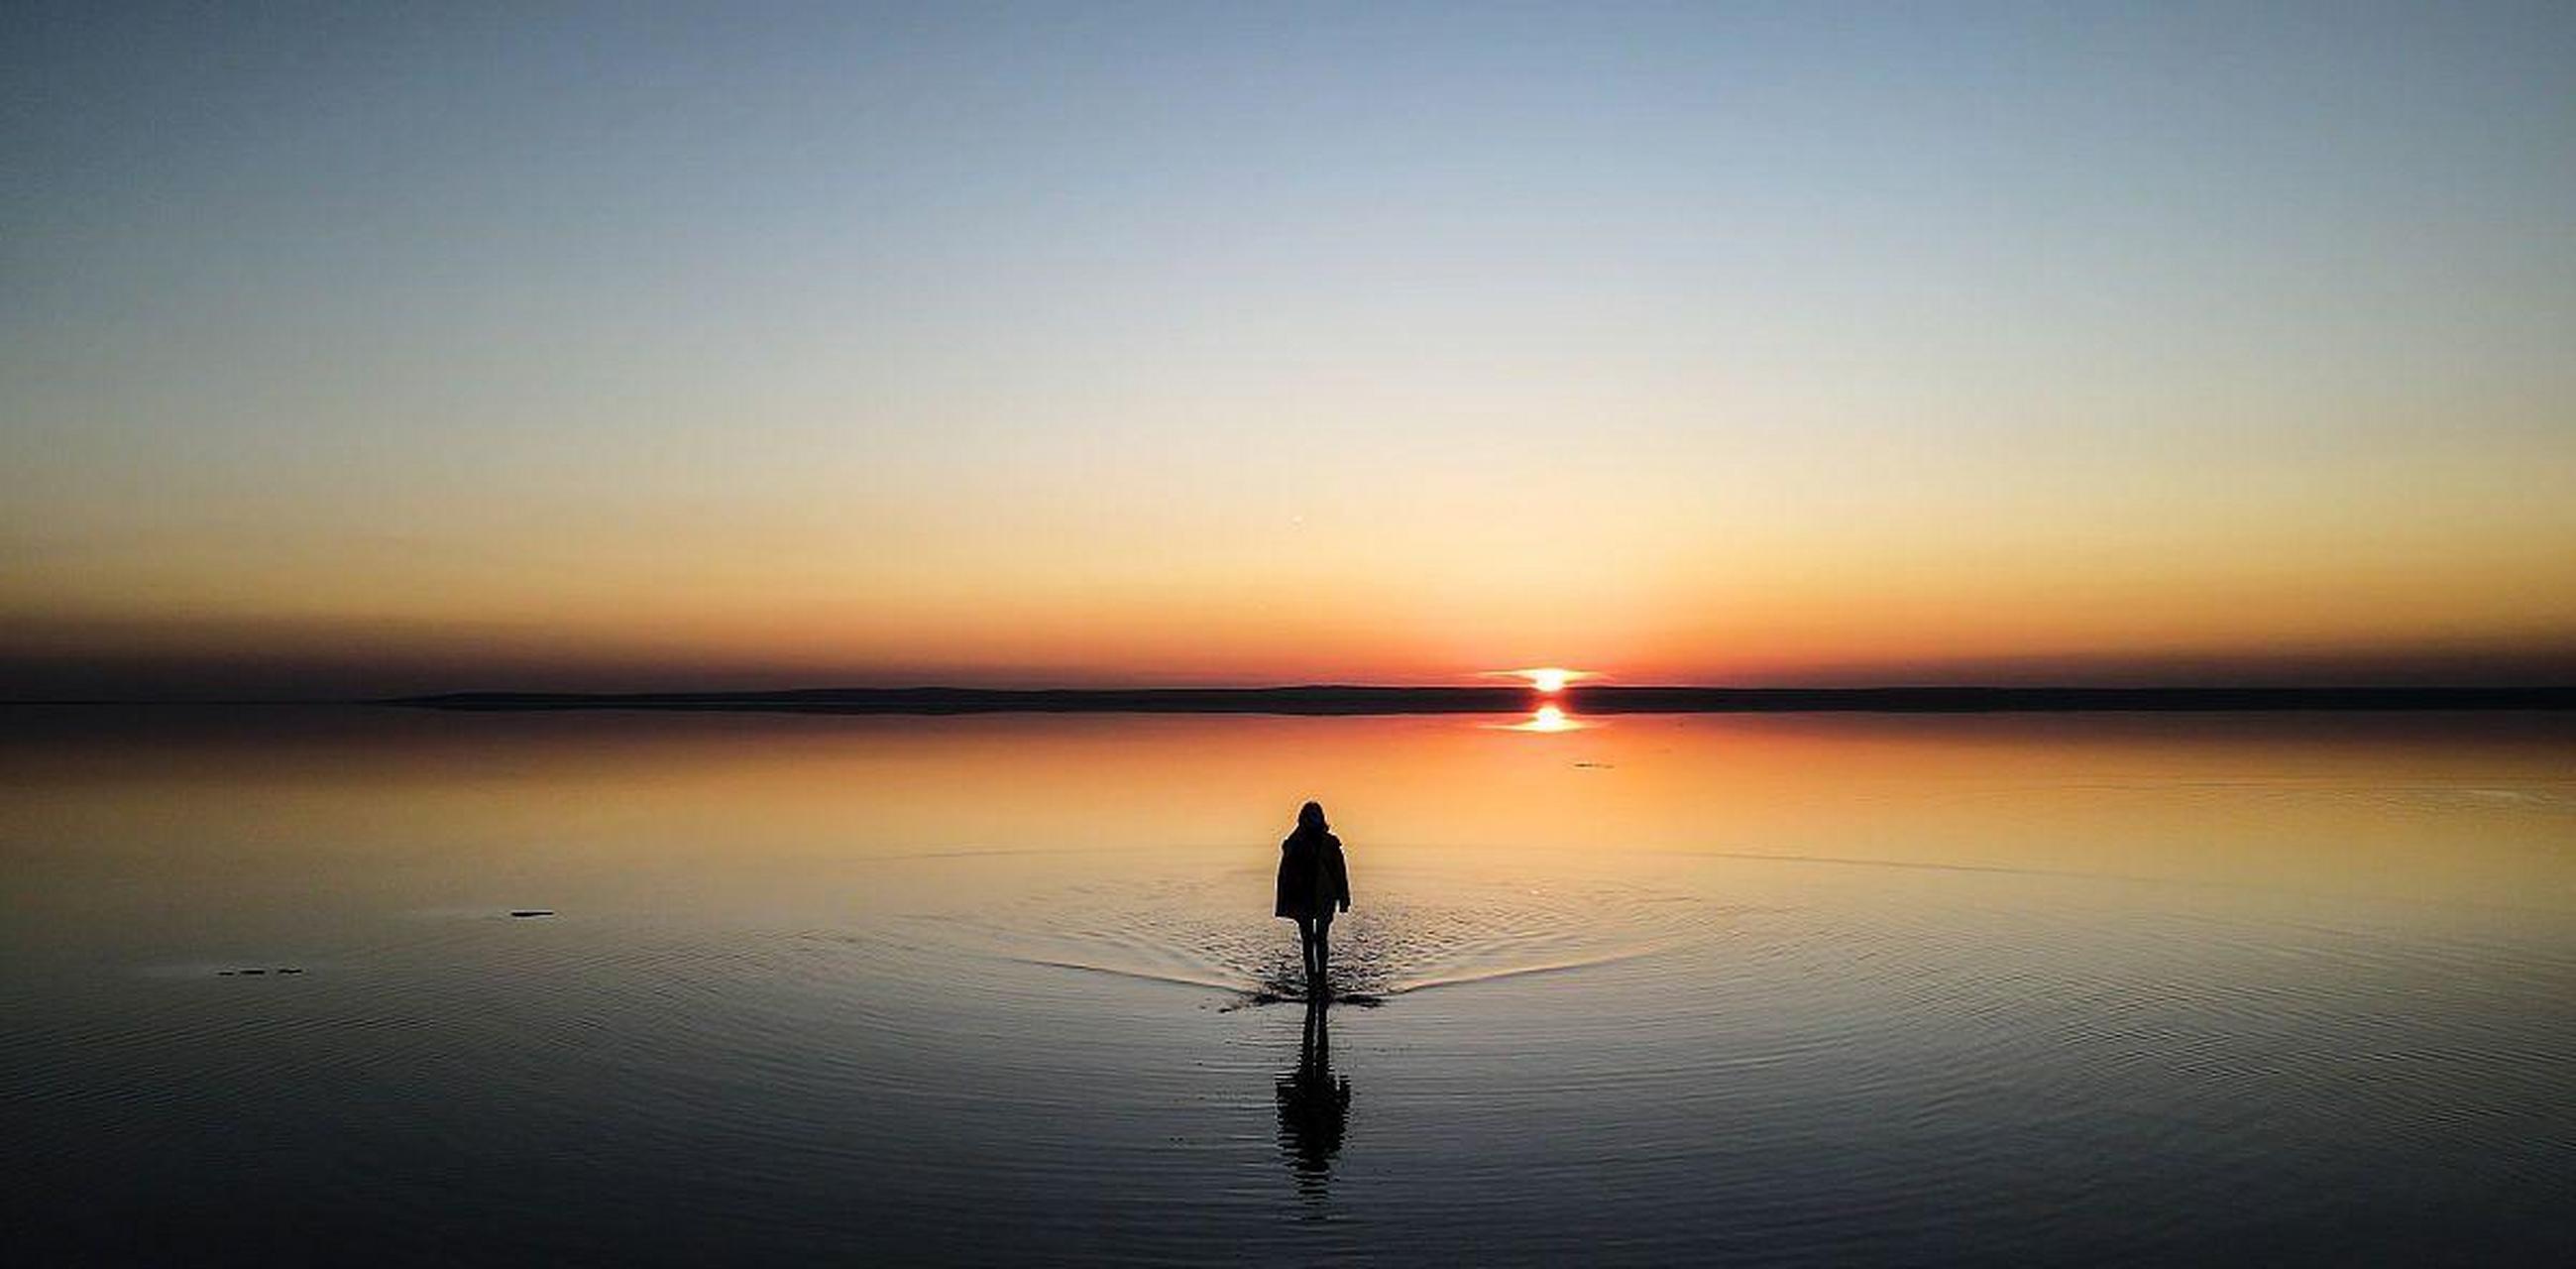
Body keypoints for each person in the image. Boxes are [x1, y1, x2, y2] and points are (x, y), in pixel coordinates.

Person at [1275, 800, 1352, 989]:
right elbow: (1284, 875)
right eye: (1309, 816)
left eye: (1315, 816)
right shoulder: (1294, 843)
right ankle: (1311, 979)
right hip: (1302, 898)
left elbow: (1340, 872)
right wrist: (1284, 902)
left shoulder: (1331, 843)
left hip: (1325, 897)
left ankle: (1322, 977)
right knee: (1307, 939)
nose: (1312, 819)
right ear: (1303, 818)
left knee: (1322, 937)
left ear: (1321, 818)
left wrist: (1344, 898)